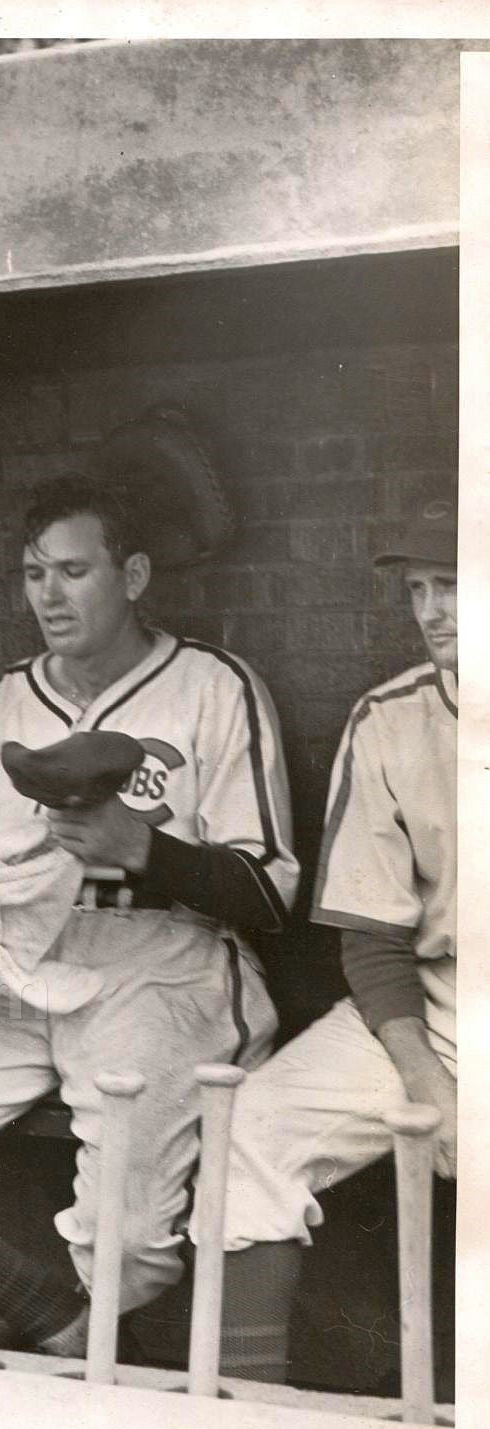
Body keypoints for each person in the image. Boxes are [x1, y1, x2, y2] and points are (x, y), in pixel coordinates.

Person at [0, 474, 299, 1353]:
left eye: (73, 571)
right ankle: (50, 1318)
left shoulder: (211, 687)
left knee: (129, 1243)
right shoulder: (8, 701)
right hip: (31, 967)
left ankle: (70, 1354)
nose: (48, 594)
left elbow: (270, 892)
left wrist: (142, 849)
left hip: (166, 963)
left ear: (135, 574)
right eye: (35, 573)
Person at [213, 497, 457, 1382]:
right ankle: (250, 1426)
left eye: (458, 586)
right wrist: (431, 1087)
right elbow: (375, 941)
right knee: (250, 1129)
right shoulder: (390, 720)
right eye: (421, 588)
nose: (433, 610)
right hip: (430, 1007)